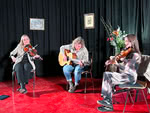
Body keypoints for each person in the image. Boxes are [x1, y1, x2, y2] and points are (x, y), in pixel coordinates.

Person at [97, 34, 141, 112]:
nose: (125, 43)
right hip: (125, 75)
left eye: (127, 41)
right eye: (125, 41)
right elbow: (125, 66)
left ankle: (107, 101)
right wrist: (116, 62)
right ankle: (107, 102)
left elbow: (128, 68)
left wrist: (119, 61)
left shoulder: (136, 55)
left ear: (132, 42)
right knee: (107, 74)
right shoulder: (129, 54)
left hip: (130, 77)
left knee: (108, 76)